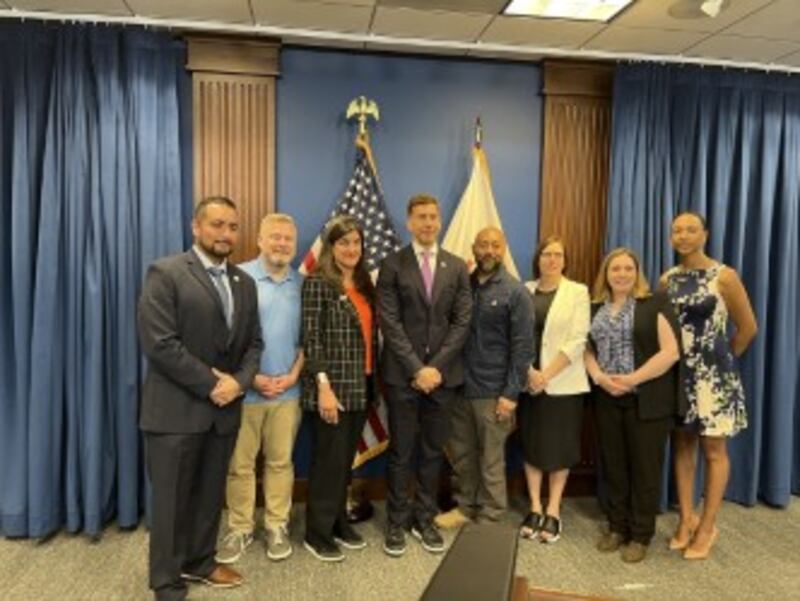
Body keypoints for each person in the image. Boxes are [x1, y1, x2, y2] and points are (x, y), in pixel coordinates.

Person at [137, 196, 262, 601]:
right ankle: (167, 582)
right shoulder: (167, 272)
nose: (226, 234)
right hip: (175, 413)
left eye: (232, 227)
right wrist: (213, 383)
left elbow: (254, 345)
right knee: (171, 503)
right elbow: (159, 344)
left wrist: (239, 383)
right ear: (196, 227)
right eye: (217, 225)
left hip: (223, 414)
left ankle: (201, 562)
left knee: (210, 497)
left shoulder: (244, 282)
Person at [377, 194, 472, 557]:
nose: (428, 223)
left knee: (433, 453)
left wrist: (435, 368)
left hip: (444, 378)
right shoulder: (392, 264)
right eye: (421, 217)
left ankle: (425, 519)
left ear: (441, 220)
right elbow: (390, 321)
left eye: (434, 216)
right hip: (403, 377)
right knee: (402, 452)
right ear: (409, 221)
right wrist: (417, 369)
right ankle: (397, 523)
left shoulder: (457, 266)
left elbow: (462, 321)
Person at [662, 212, 757, 560]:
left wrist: (722, 361)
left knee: (714, 450)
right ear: (671, 237)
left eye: (690, 230)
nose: (683, 236)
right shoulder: (667, 280)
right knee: (683, 445)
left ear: (704, 234)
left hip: (714, 377)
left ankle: (708, 527)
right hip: (679, 375)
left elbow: (747, 328)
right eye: (677, 230)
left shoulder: (724, 276)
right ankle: (687, 519)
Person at [216, 213, 304, 564]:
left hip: (288, 393)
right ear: (260, 240)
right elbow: (221, 338)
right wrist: (249, 378)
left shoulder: (303, 283)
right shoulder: (238, 278)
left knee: (281, 464)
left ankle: (276, 525)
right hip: (244, 392)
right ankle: (239, 528)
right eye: (275, 237)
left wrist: (295, 374)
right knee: (239, 466)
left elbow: (307, 341)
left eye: (287, 239)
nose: (282, 244)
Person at [584, 248, 682, 563]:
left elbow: (670, 352)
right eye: (616, 269)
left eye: (628, 268)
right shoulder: (594, 308)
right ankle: (617, 527)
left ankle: (640, 535)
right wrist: (599, 377)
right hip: (606, 398)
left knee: (645, 469)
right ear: (606, 274)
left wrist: (632, 379)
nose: (622, 274)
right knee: (614, 466)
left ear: (637, 272)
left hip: (646, 400)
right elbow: (587, 349)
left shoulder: (655, 303)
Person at [435, 227, 534, 529]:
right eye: (483, 245)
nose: (489, 250)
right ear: (473, 248)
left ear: (503, 249)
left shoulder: (516, 292)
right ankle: (466, 507)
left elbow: (523, 347)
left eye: (495, 245)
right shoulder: (463, 285)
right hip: (460, 387)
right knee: (463, 456)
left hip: (494, 391)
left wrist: (511, 394)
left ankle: (490, 516)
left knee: (491, 460)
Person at [301, 215, 379, 562]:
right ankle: (317, 533)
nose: (351, 249)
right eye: (344, 242)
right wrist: (323, 387)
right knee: (327, 462)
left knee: (344, 462)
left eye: (356, 243)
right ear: (332, 247)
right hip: (331, 389)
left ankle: (337, 523)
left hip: (361, 387)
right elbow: (311, 340)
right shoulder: (318, 283)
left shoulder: (364, 287)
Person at [518, 236, 590, 544]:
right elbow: (514, 336)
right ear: (538, 258)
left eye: (558, 254)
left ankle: (554, 508)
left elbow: (577, 340)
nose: (552, 259)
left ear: (565, 260)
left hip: (563, 384)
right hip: (527, 382)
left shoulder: (578, 292)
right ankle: (534, 506)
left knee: (560, 447)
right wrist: (529, 372)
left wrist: (545, 374)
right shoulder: (524, 290)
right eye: (546, 254)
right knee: (532, 444)